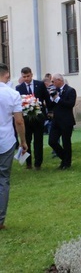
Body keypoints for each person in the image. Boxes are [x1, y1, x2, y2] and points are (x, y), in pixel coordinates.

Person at [0, 63, 27, 231]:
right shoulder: (13, 94)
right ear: (7, 75)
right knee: (3, 179)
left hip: (6, 139)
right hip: (5, 140)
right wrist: (23, 141)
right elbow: (19, 120)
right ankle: (0, 219)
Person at [15, 67, 50, 170]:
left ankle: (38, 163)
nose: (26, 78)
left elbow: (46, 98)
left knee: (38, 141)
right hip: (25, 119)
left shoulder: (39, 84)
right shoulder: (19, 88)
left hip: (38, 117)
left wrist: (49, 111)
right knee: (27, 140)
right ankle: (28, 162)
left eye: (28, 76)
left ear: (32, 74)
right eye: (24, 77)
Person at [47, 73, 77, 170]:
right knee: (51, 141)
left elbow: (70, 104)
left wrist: (58, 99)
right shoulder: (54, 91)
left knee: (66, 142)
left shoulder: (70, 90)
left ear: (59, 80)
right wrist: (51, 99)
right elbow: (51, 106)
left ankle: (66, 163)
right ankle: (65, 157)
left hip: (66, 120)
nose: (52, 83)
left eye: (53, 81)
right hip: (56, 120)